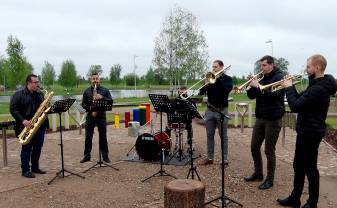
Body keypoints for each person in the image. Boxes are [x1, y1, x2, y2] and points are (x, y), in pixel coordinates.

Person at [277, 54, 337, 208]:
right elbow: (299, 100)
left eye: (308, 66)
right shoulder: (314, 84)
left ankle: (312, 203)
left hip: (311, 133)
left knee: (310, 168)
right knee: (298, 165)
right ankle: (295, 198)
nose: (306, 69)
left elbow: (295, 106)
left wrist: (289, 87)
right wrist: (289, 87)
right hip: (305, 131)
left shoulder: (319, 88)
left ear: (317, 68)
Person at [244, 55, 285, 190]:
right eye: (261, 65)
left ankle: (270, 180)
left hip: (273, 119)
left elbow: (274, 96)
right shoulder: (262, 78)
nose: (261, 68)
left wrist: (259, 86)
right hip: (261, 117)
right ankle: (258, 173)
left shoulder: (279, 77)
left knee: (269, 150)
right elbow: (252, 96)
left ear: (271, 65)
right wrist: (250, 86)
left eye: (264, 65)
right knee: (254, 146)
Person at [10, 74, 48, 178]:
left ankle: (35, 167)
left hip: (39, 126)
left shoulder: (40, 94)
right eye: (35, 82)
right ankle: (25, 170)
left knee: (38, 147)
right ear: (29, 83)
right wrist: (23, 120)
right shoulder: (18, 94)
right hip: (25, 126)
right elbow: (13, 109)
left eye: (38, 82)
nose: (37, 84)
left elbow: (44, 109)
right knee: (27, 148)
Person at [198, 60, 233, 166]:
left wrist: (218, 80)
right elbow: (201, 93)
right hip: (210, 111)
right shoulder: (209, 78)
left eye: (216, 67)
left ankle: (225, 159)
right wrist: (205, 84)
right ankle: (210, 158)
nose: (213, 69)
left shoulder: (227, 79)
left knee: (223, 136)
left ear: (222, 67)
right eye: (213, 67)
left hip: (222, 111)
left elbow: (226, 90)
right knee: (209, 135)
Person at [80, 72, 113, 163]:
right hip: (90, 116)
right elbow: (83, 104)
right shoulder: (86, 91)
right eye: (93, 79)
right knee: (88, 136)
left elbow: (110, 101)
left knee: (103, 136)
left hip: (101, 116)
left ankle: (105, 156)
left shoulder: (105, 90)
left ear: (99, 79)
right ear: (91, 80)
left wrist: (101, 97)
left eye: (96, 79)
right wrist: (90, 109)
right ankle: (87, 156)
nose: (95, 80)